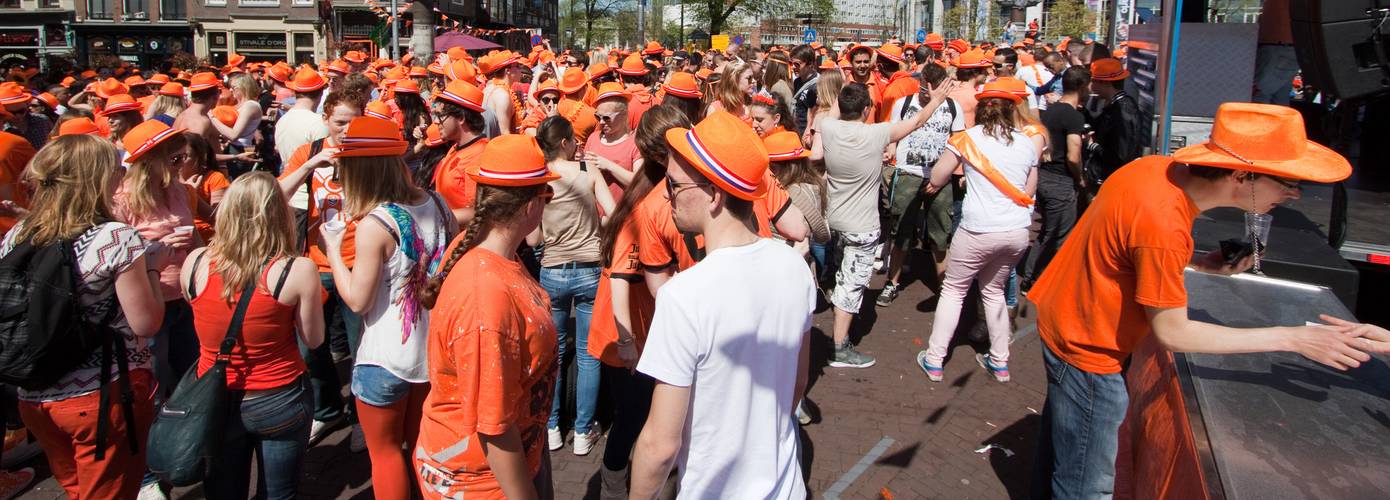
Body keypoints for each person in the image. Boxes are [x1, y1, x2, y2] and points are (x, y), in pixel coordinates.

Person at [1028, 103, 1374, 498]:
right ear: (1242, 176)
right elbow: (1173, 331)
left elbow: (1127, 248)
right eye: (1287, 183)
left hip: (1065, 320)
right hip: (1089, 349)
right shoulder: (1163, 223)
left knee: (1062, 452)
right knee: (1086, 487)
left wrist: (1198, 265)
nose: (1294, 195)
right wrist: (1295, 337)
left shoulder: (1153, 169)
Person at [629, 110, 815, 499]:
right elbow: (796, 384)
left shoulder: (684, 296)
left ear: (714, 195)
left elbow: (660, 446)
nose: (666, 194)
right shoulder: (794, 268)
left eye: (674, 184)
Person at [7, 135, 164, 500]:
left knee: (78, 490)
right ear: (98, 178)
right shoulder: (116, 238)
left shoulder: (19, 234)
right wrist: (154, 269)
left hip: (35, 393)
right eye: (117, 169)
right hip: (102, 394)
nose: (122, 176)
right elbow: (146, 323)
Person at [413, 135, 559, 499]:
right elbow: (494, 426)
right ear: (529, 206)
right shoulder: (486, 298)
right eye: (547, 197)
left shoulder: (492, 256)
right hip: (482, 480)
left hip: (508, 461)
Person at [320, 116, 455, 499]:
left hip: (384, 358)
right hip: (429, 352)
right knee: (419, 449)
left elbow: (358, 300)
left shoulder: (375, 224)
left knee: (385, 456)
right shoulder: (439, 204)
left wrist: (332, 249)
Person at [182, 172, 325, 500]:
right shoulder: (296, 270)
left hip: (215, 396)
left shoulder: (194, 263)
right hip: (279, 393)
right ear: (279, 213)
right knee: (279, 493)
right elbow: (314, 340)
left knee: (223, 490)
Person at [812, 81, 952, 368]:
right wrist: (936, 100)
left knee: (842, 276)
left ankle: (840, 333)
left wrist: (843, 87)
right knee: (852, 286)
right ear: (866, 109)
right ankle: (840, 347)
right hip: (862, 227)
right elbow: (918, 120)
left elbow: (834, 114)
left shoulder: (826, 126)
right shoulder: (878, 133)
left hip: (835, 222)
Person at [914, 79, 1042, 383]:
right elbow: (1028, 191)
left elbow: (939, 174)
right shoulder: (1027, 141)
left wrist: (968, 177)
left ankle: (934, 359)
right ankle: (999, 362)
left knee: (954, 290)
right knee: (994, 291)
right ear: (1011, 110)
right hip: (1015, 231)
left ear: (981, 110)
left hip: (978, 229)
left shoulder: (967, 139)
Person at [276, 89, 368, 448]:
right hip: (317, 262)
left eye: (353, 122)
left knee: (362, 345)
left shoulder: (366, 151)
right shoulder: (310, 151)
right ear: (326, 120)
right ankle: (326, 410)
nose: (346, 129)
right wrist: (309, 167)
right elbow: (276, 194)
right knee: (311, 346)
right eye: (340, 122)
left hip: (358, 262)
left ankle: (361, 415)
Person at [534, 116, 617, 457]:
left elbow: (532, 235)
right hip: (588, 268)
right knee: (588, 353)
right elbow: (612, 212)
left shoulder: (540, 177)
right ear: (567, 141)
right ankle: (582, 431)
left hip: (552, 269)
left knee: (551, 354)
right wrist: (594, 228)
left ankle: (551, 426)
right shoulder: (585, 172)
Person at [112, 120, 201, 400]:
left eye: (184, 157)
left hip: (186, 296)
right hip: (151, 302)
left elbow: (196, 236)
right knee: (155, 379)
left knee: (193, 373)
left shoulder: (178, 189)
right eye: (175, 158)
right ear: (150, 161)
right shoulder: (121, 201)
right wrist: (159, 246)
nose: (181, 164)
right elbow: (118, 255)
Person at [876, 64, 965, 307]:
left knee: (939, 235)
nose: (929, 94)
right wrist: (891, 150)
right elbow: (895, 135)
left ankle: (944, 288)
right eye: (925, 89)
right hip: (908, 174)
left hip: (941, 178)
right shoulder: (904, 104)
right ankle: (892, 283)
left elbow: (958, 144)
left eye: (934, 90)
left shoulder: (953, 107)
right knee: (901, 233)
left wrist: (946, 177)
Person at [1022, 67, 1090, 291]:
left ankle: (1033, 278)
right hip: (1060, 180)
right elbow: (1073, 153)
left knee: (1048, 231)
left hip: (1044, 176)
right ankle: (1038, 281)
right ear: (1082, 87)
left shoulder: (1050, 111)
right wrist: (1079, 177)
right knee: (1058, 234)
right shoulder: (1073, 116)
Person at [276, 67, 332, 235]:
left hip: (289, 193)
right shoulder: (318, 123)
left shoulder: (283, 120)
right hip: (307, 199)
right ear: (321, 93)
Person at [431, 79, 489, 225]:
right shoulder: (456, 146)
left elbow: (478, 212)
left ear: (461, 118)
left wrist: (435, 219)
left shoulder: (479, 155)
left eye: (440, 116)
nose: (436, 122)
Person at [1086, 58, 1144, 186]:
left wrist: (1092, 145)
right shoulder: (1116, 106)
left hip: (1112, 179)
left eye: (1093, 81)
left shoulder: (1122, 111)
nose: (1091, 86)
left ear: (1105, 83)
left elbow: (1121, 154)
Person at [582, 83, 642, 197]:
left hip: (624, 212)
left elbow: (638, 182)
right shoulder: (593, 138)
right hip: (596, 212)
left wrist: (608, 165)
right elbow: (584, 174)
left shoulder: (635, 143)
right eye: (598, 117)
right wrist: (580, 163)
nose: (601, 122)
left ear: (624, 115)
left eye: (607, 118)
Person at [211, 74, 265, 178]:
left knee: (237, 180)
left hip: (241, 148)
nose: (230, 90)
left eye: (234, 88)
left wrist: (212, 118)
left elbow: (234, 135)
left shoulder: (250, 105)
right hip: (240, 146)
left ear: (243, 88)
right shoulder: (244, 105)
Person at [180, 132, 230, 243]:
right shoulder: (169, 180)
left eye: (185, 156)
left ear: (201, 157)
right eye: (175, 157)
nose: (179, 162)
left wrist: (191, 193)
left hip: (207, 239)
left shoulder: (215, 178)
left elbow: (219, 220)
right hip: (179, 235)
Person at [174, 73, 224, 154]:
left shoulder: (183, 115)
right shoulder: (201, 121)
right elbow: (191, 155)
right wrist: (235, 157)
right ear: (215, 96)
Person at [789, 44, 819, 133]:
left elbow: (818, 116)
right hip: (796, 133)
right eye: (791, 63)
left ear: (810, 64)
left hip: (808, 135)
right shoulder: (797, 81)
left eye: (797, 64)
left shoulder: (818, 85)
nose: (793, 67)